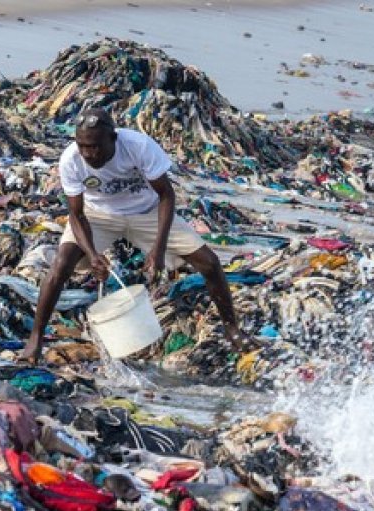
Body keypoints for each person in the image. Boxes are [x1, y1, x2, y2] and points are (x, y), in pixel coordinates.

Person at [21, 108, 254, 363]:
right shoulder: (71, 160)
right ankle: (35, 340)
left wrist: (158, 248)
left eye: (96, 146)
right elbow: (77, 215)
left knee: (209, 262)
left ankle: (232, 329)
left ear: (113, 138)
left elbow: (166, 195)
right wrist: (93, 255)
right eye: (83, 146)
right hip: (99, 215)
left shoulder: (138, 146)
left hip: (147, 212)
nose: (89, 154)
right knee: (60, 264)